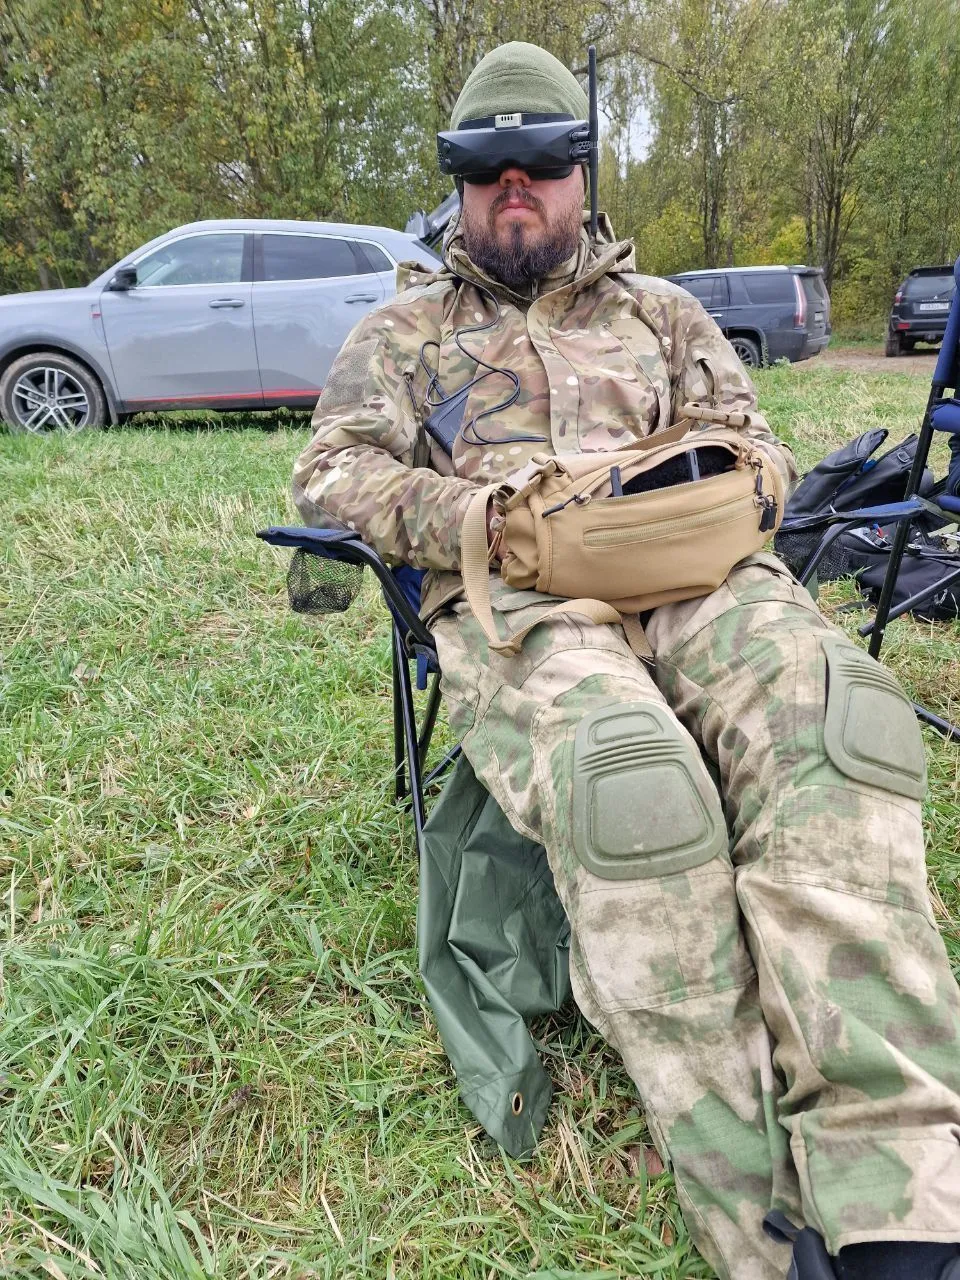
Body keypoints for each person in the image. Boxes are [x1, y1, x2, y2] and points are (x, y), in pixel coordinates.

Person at [293, 41, 960, 1280]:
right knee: (635, 786)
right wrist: (482, 519)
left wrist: (691, 490)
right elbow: (330, 474)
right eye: (484, 168)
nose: (514, 188)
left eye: (541, 163)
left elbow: (752, 443)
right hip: (523, 601)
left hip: (700, 582)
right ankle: (766, 1224)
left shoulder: (664, 315)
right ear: (456, 183)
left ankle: (904, 1206)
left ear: (581, 173)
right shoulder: (404, 332)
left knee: (841, 724)